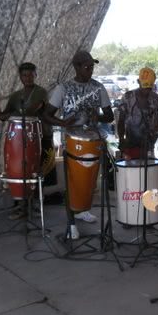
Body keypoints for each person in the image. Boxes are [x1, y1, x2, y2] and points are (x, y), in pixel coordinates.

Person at [45, 50, 114, 239]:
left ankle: (83, 210)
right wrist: (63, 122)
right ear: (76, 67)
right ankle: (71, 223)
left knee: (89, 179)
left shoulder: (98, 88)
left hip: (92, 139)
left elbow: (109, 116)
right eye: (87, 67)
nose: (90, 70)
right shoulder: (64, 88)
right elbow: (47, 115)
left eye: (92, 67)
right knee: (73, 181)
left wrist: (98, 117)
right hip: (72, 139)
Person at [0, 62, 57, 219]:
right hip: (19, 140)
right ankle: (21, 206)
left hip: (40, 136)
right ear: (20, 77)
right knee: (20, 170)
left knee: (37, 171)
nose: (28, 78)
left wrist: (6, 115)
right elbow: (4, 116)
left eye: (31, 75)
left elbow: (31, 111)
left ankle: (34, 205)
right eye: (25, 75)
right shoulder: (15, 96)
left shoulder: (41, 92)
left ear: (36, 75)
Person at [117, 67, 158, 159]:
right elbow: (121, 121)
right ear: (138, 82)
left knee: (149, 167)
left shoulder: (157, 100)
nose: (146, 92)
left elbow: (157, 124)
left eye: (149, 88)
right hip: (130, 145)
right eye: (144, 87)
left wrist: (151, 143)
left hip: (148, 147)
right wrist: (121, 139)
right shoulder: (128, 97)